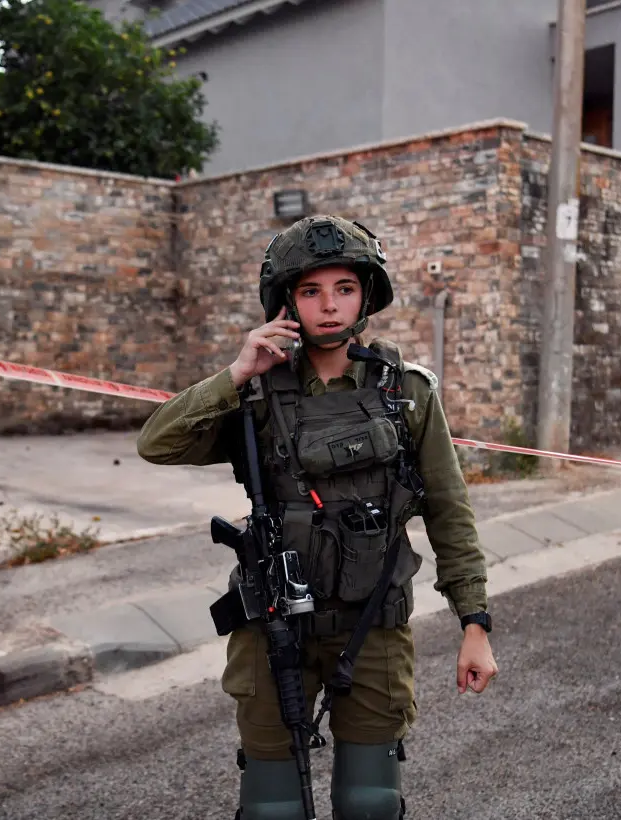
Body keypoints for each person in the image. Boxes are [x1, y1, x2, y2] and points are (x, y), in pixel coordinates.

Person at [136, 215, 497, 820]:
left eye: (343, 289)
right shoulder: (253, 392)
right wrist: (234, 374)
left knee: (369, 803)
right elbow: (157, 444)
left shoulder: (405, 391)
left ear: (365, 295)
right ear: (287, 303)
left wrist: (475, 622)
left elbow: (449, 509)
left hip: (373, 623)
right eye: (310, 291)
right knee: (272, 808)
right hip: (273, 626)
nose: (328, 306)